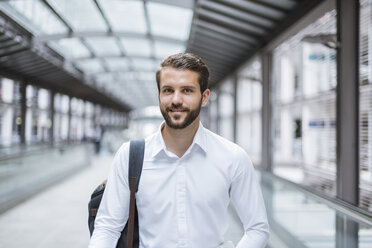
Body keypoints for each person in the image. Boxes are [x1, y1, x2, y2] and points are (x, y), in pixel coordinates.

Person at [89, 53, 269, 248]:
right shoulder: (130, 156)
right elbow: (107, 227)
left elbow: (257, 228)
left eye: (187, 90)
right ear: (159, 95)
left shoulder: (233, 158)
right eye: (168, 90)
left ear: (204, 97)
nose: (176, 100)